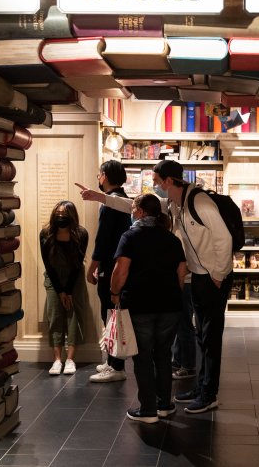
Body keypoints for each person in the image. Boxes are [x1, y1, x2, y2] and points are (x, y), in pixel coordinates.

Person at [80, 159, 233, 414]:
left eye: (157, 180)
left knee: (211, 337)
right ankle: (201, 387)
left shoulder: (199, 201)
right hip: (197, 276)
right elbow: (134, 205)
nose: (154, 184)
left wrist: (218, 274)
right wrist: (99, 197)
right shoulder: (173, 204)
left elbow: (223, 237)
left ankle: (209, 393)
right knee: (201, 336)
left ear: (169, 181)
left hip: (212, 277)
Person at [110, 194, 187, 423]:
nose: (132, 211)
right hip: (170, 305)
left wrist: (114, 293)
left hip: (140, 304)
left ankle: (148, 410)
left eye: (134, 207)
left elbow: (120, 271)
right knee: (163, 355)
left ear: (142, 211)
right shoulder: (172, 239)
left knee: (143, 356)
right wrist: (174, 294)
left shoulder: (130, 237)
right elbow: (181, 272)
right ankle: (164, 405)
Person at [85, 160, 132, 383]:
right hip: (118, 263)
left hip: (111, 265)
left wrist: (92, 267)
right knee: (113, 312)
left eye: (99, 174)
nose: (97, 177)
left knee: (111, 313)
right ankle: (112, 361)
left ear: (104, 176)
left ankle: (117, 365)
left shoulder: (111, 203)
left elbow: (103, 239)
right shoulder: (124, 199)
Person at [39, 201, 90, 375]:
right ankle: (57, 360)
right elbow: (48, 264)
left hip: (74, 279)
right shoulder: (45, 234)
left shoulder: (81, 234)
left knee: (74, 316)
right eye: (58, 214)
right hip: (54, 280)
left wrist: (68, 291)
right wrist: (60, 291)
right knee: (55, 316)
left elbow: (77, 265)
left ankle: (70, 359)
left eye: (64, 214)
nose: (61, 217)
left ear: (72, 217)